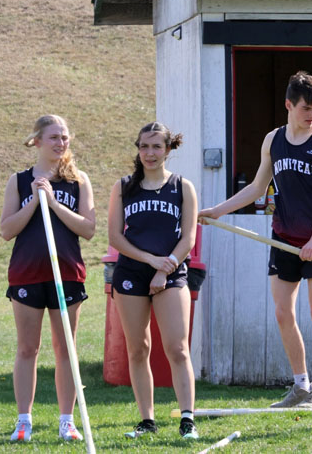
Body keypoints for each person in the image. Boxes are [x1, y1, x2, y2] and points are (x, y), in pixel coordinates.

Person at [199, 71, 312, 410]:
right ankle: (301, 386)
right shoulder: (273, 140)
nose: (311, 115)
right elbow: (257, 189)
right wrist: (218, 210)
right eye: (306, 108)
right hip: (284, 235)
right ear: (289, 105)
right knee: (282, 312)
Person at [0, 115, 96, 442]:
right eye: (53, 137)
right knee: (28, 348)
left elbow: (88, 229)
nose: (60, 143)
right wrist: (34, 201)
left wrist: (53, 202)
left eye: (65, 137)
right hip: (27, 273)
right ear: (37, 141)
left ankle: (66, 421)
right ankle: (23, 421)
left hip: (67, 274)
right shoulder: (19, 180)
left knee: (65, 348)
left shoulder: (78, 180)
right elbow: (6, 231)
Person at [107, 122, 200, 440]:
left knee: (178, 348)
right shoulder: (123, 187)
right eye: (144, 146)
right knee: (138, 349)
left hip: (171, 273)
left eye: (156, 147)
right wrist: (150, 262)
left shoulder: (182, 187)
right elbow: (115, 237)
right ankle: (146, 420)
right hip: (132, 273)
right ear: (138, 149)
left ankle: (187, 419)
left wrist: (165, 269)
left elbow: (188, 238)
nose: (149, 153)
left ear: (168, 150)